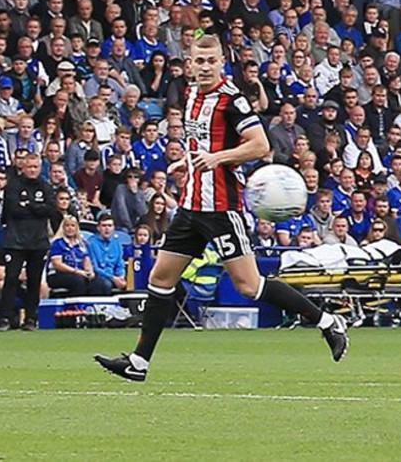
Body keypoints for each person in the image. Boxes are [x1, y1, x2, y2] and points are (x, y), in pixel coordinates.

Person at [94, 34, 348, 382]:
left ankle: (328, 322)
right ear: (189, 62)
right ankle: (139, 362)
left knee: (249, 285)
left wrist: (217, 159)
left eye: (211, 61)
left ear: (221, 62)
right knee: (160, 278)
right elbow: (198, 143)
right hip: (190, 206)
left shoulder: (233, 100)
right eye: (198, 61)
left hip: (222, 208)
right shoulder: (192, 95)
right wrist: (186, 162)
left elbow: (259, 145)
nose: (204, 67)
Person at [0, 152, 55, 330]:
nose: (32, 170)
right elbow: (13, 210)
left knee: (34, 281)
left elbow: (50, 210)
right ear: (22, 167)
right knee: (11, 279)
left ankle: (31, 318)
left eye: (35, 167)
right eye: (29, 167)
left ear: (40, 167)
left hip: (38, 241)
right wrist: (36, 208)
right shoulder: (14, 185)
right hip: (15, 240)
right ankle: (5, 318)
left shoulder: (46, 187)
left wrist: (29, 205)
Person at [47, 214, 110, 296]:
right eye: (67, 226)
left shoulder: (81, 244)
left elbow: (86, 260)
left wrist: (90, 272)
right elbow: (57, 264)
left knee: (98, 282)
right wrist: (76, 271)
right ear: (63, 228)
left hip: (80, 273)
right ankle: (76, 308)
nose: (70, 228)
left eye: (73, 226)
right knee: (79, 281)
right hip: (59, 274)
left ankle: (92, 307)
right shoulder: (58, 243)